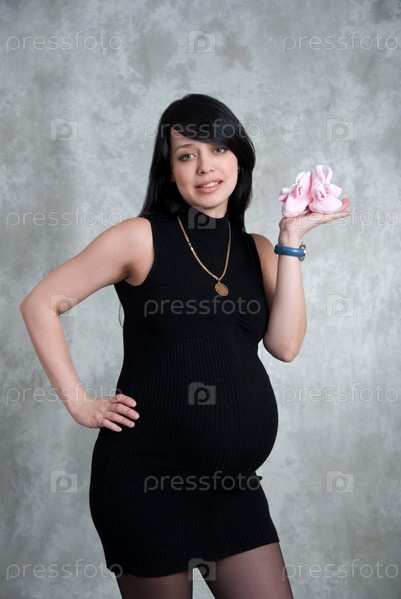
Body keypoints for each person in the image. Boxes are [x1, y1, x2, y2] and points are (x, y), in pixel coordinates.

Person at [20, 93, 351, 599]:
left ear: (239, 157)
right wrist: (79, 403)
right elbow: (40, 303)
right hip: (146, 485)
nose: (205, 166)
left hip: (232, 487)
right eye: (186, 155)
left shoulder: (259, 248)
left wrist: (290, 238)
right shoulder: (140, 238)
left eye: (218, 149)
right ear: (169, 170)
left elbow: (285, 346)